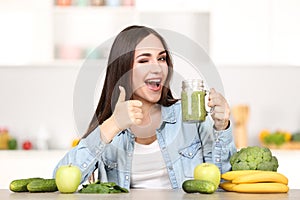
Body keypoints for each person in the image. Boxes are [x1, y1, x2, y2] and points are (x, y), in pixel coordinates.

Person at [53, 25, 236, 190]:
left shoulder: (189, 117)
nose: (157, 68)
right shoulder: (109, 129)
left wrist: (222, 127)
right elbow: (59, 181)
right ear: (123, 69)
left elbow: (223, 182)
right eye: (143, 60)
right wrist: (114, 125)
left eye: (162, 58)